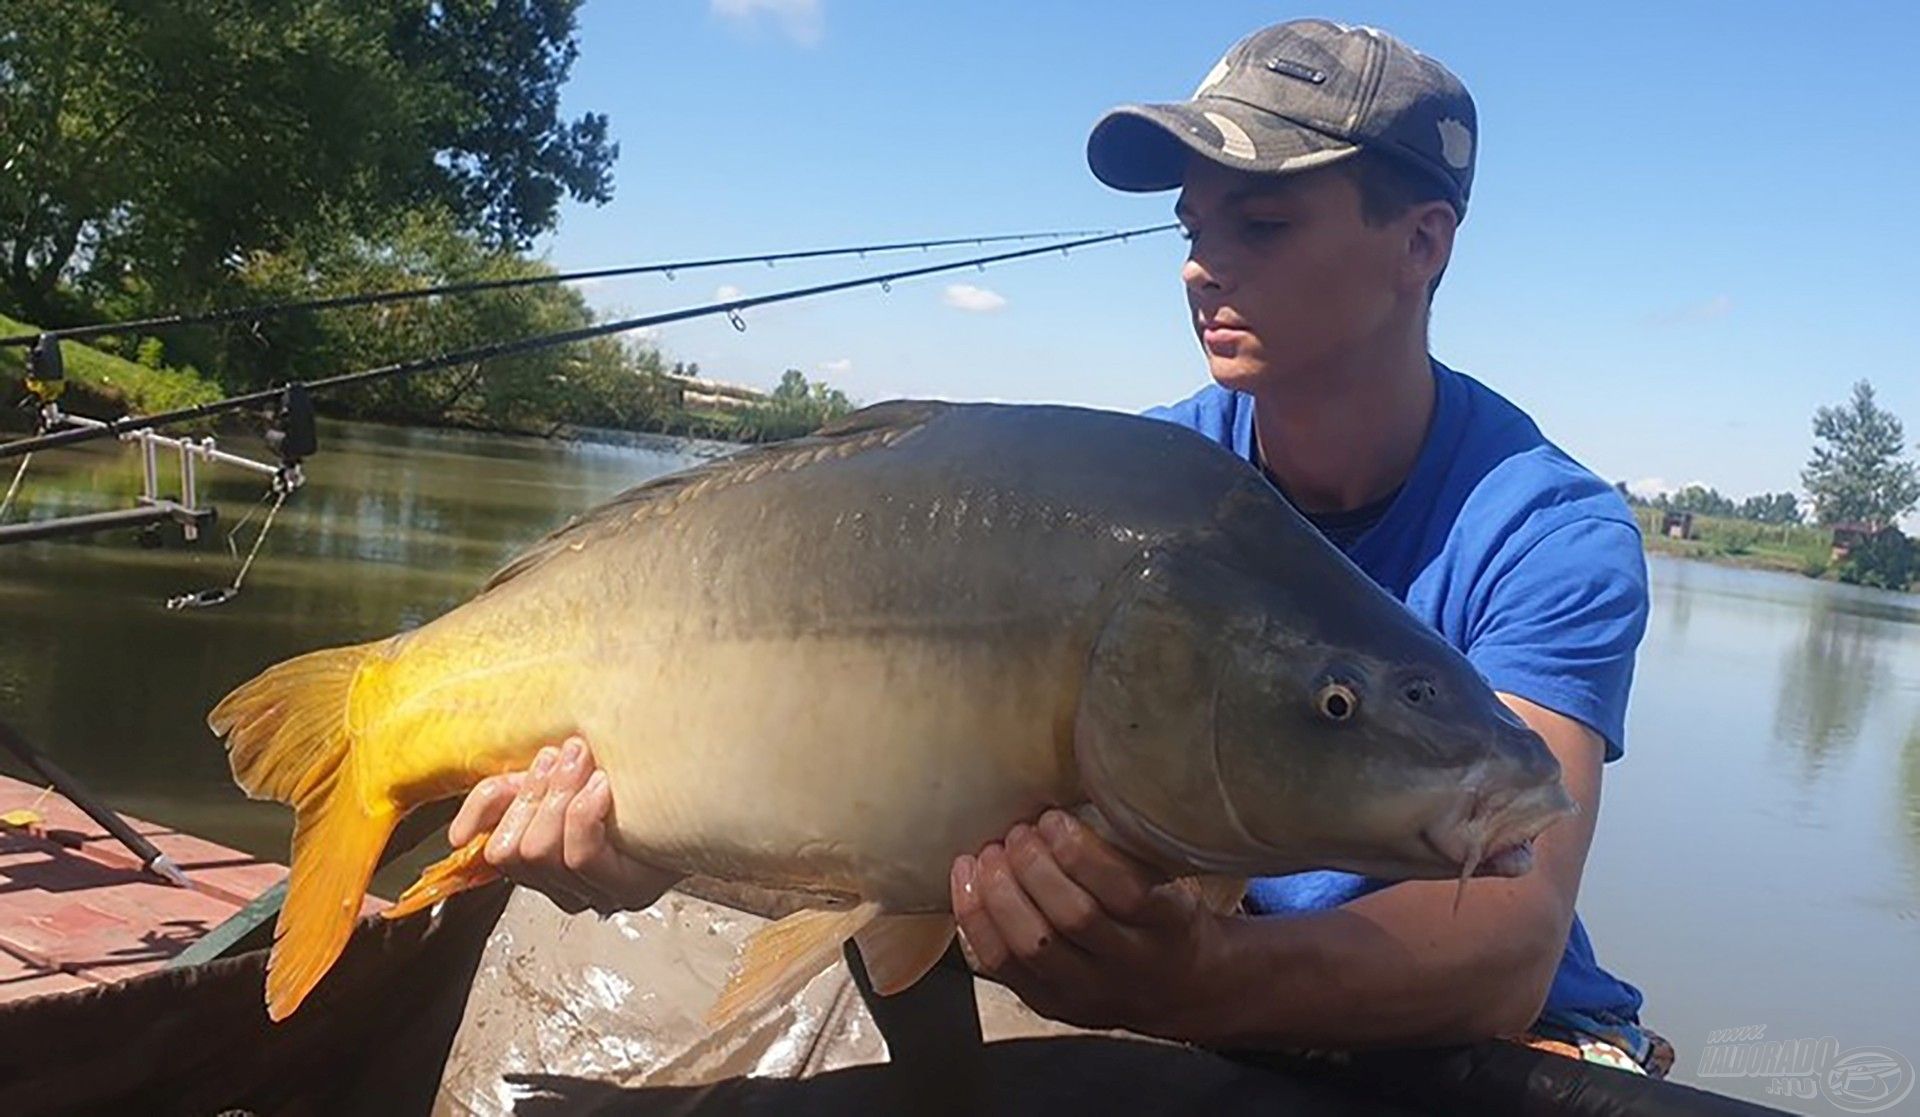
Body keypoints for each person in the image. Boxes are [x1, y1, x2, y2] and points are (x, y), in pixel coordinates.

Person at [448, 17, 1671, 1078]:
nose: (1203, 263)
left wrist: (1191, 983)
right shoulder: (1144, 494)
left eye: (1263, 220)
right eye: (1193, 226)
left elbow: (1511, 933)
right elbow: (898, 785)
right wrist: (645, 845)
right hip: (1197, 985)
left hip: (1457, 1045)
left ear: (1423, 243)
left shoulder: (1546, 530)